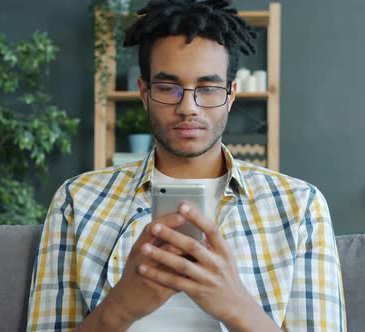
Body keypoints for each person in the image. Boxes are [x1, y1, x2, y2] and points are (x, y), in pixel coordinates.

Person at [26, 0, 346, 331]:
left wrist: (236, 306)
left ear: (231, 94)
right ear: (144, 92)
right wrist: (119, 308)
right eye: (168, 88)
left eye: (207, 89)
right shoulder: (77, 200)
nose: (188, 107)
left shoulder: (299, 206)